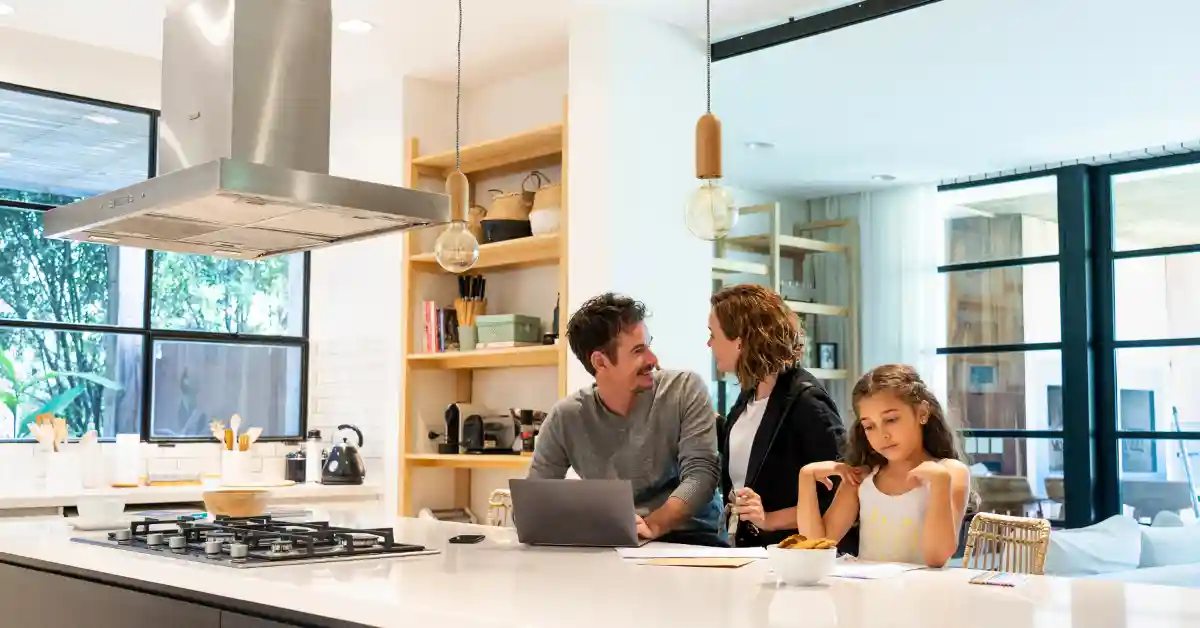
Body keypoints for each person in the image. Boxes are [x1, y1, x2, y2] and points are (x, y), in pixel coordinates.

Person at [528, 293, 724, 545]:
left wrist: (653, 525)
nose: (653, 360)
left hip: (692, 539)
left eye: (648, 345)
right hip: (616, 541)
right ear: (600, 362)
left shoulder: (684, 389)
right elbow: (534, 501)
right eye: (639, 350)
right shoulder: (566, 417)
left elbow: (701, 475)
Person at [709, 284, 854, 551]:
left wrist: (770, 519)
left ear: (740, 341)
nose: (709, 344)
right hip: (750, 550)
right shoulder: (749, 395)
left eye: (713, 335)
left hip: (792, 554)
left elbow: (840, 491)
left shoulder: (806, 401)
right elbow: (750, 453)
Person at [796, 364, 971, 567]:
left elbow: (936, 558)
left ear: (922, 413)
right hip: (866, 586)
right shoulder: (862, 478)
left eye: (891, 419)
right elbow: (816, 547)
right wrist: (806, 476)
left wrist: (940, 482)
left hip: (922, 588)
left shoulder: (950, 472)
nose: (882, 435)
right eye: (869, 426)